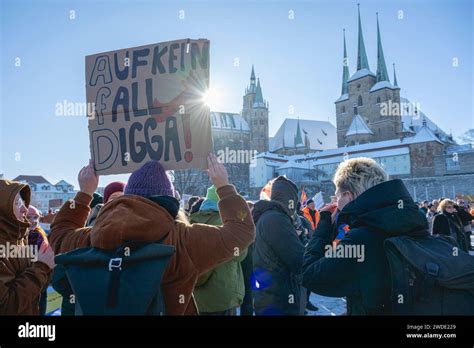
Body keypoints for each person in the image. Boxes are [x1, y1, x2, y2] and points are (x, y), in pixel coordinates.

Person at [49, 155, 255, 315]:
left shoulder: (95, 234)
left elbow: (58, 236)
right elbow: (241, 233)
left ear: (128, 195)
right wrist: (224, 187)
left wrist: (85, 193)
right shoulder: (182, 239)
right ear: (168, 199)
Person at [302, 157, 428, 315]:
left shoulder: (362, 238)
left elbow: (310, 275)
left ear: (348, 195)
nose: (336, 202)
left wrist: (325, 224)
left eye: (337, 196)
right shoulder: (411, 222)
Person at [189, 185, 247, 315]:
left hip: (195, 295)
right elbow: (240, 255)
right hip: (222, 296)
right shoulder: (228, 224)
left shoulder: (191, 220)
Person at [252, 176, 305, 316]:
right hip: (278, 300)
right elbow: (299, 261)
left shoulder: (268, 216)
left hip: (268, 297)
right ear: (289, 199)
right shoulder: (277, 219)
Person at [0, 179, 55, 315]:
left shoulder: (19, 238)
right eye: (17, 203)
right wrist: (41, 267)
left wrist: (47, 268)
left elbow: (37, 287)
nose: (25, 209)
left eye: (24, 203)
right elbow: (7, 306)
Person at [26, 205, 49, 315]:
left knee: (39, 307)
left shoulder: (38, 235)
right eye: (28, 217)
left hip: (38, 279)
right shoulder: (18, 234)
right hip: (25, 281)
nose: (33, 221)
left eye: (35, 217)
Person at [240, 201, 255, 316]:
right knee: (247, 294)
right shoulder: (244, 225)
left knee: (248, 293)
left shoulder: (252, 224)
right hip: (245, 263)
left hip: (249, 262)